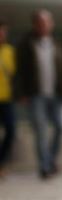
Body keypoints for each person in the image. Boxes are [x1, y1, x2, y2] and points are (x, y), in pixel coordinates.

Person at [15, 10, 62, 180]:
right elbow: (19, 72)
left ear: (51, 24)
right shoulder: (26, 44)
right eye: (40, 22)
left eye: (47, 22)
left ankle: (51, 160)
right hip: (35, 95)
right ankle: (45, 168)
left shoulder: (59, 44)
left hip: (57, 94)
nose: (43, 25)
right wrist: (21, 93)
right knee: (40, 132)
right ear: (35, 25)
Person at [0, 19, 16, 178]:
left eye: (3, 32)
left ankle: (1, 162)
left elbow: (15, 76)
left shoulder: (10, 52)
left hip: (6, 98)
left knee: (11, 131)